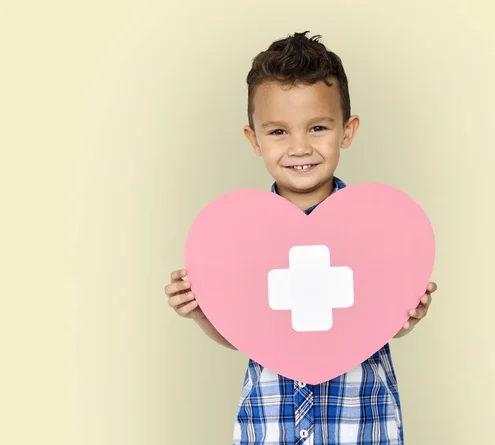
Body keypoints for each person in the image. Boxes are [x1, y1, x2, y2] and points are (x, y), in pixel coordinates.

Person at [164, 31, 438, 445]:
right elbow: (244, 332)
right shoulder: (241, 239)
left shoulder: (375, 230)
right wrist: (202, 312)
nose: (299, 147)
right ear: (253, 139)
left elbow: (377, 322)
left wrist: (407, 313)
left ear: (346, 131)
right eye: (278, 132)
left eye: (317, 127)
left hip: (360, 425)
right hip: (271, 427)